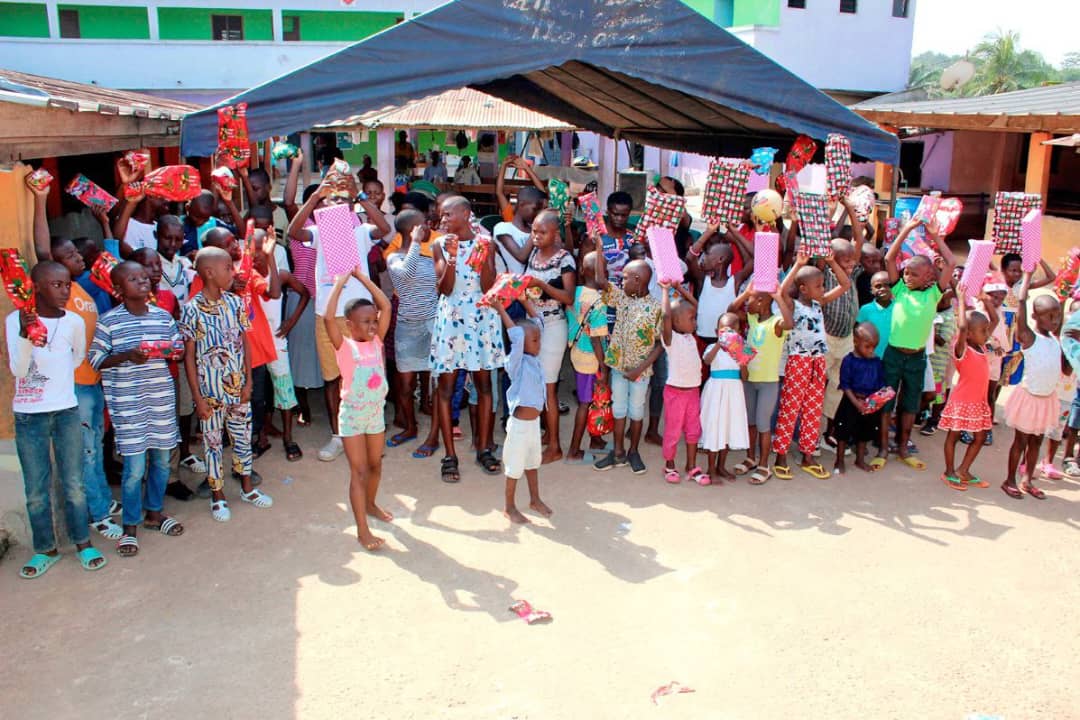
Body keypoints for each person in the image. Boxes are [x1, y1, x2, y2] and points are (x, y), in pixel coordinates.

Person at [9, 261, 107, 577]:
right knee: (36, 490)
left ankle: (83, 543)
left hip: (66, 410)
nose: (64, 291)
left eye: (66, 284)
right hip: (29, 415)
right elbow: (18, 370)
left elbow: (77, 358)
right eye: (56, 285)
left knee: (74, 483)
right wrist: (26, 335)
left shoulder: (73, 322)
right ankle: (45, 549)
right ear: (36, 287)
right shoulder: (16, 320)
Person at [286, 174, 391, 462]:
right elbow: (294, 232)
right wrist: (315, 196)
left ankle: (368, 430)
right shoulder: (319, 232)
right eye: (332, 199)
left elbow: (385, 228)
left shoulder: (360, 231)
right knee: (333, 378)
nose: (337, 203)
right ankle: (338, 435)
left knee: (365, 374)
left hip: (360, 315)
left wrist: (360, 196)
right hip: (328, 316)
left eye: (343, 199)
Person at [89, 262, 184, 556]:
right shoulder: (109, 322)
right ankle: (130, 526)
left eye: (143, 277)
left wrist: (166, 351)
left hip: (160, 400)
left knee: (162, 461)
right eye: (133, 278)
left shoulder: (162, 316)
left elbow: (178, 349)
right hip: (128, 406)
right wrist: (127, 356)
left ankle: (154, 512)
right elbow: (95, 360)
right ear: (118, 290)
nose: (142, 281)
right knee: (134, 469)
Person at [179, 247, 273, 522]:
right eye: (228, 268)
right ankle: (217, 495)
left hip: (238, 388)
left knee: (243, 437)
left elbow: (245, 342)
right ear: (209, 272)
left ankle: (247, 488)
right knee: (212, 443)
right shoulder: (192, 310)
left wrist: (248, 381)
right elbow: (189, 357)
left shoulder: (235, 303)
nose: (233, 272)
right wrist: (198, 398)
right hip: (209, 393)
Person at [47, 236, 123, 538]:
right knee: (87, 452)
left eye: (76, 253)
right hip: (76, 385)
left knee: (97, 446)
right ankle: (97, 514)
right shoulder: (60, 297)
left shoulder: (80, 288)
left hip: (92, 381)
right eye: (70, 255)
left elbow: (112, 267)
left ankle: (102, 499)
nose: (78, 257)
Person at [430, 196, 505, 482]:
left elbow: (488, 286)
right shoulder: (439, 244)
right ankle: (449, 455)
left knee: (484, 386)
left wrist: (482, 257)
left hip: (481, 319)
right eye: (442, 215)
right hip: (452, 319)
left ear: (465, 213)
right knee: (446, 389)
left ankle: (484, 448)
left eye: (448, 214)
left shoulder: (486, 243)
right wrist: (451, 257)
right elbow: (445, 288)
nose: (443, 219)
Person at [324, 269, 393, 550]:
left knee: (376, 465)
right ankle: (362, 530)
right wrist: (341, 282)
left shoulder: (377, 342)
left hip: (375, 414)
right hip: (352, 416)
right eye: (366, 322)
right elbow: (328, 318)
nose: (373, 325)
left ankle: (371, 504)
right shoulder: (345, 347)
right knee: (360, 471)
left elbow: (386, 305)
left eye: (374, 321)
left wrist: (363, 279)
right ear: (350, 325)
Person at [878, 220, 956, 471]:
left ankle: (903, 447)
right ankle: (883, 449)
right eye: (906, 273)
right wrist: (907, 229)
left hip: (917, 358)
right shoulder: (900, 289)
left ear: (929, 277)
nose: (907, 277)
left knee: (910, 404)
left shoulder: (934, 294)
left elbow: (951, 262)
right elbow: (889, 258)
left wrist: (935, 235)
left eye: (914, 274)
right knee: (886, 401)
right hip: (893, 354)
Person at [771, 252, 851, 481]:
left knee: (813, 410)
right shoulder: (793, 305)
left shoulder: (819, 303)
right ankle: (781, 457)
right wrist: (798, 264)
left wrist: (832, 261)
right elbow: (782, 292)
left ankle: (808, 455)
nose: (823, 289)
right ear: (803, 289)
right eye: (818, 286)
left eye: (823, 285)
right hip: (799, 362)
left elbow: (845, 284)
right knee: (790, 409)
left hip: (818, 362)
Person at [592, 246, 662, 475]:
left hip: (641, 372)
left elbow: (660, 344)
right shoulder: (621, 298)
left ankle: (633, 451)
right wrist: (599, 247)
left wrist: (640, 369)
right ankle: (618, 451)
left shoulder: (656, 308)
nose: (621, 282)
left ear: (638, 280)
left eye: (624, 278)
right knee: (619, 408)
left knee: (636, 411)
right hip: (618, 368)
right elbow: (600, 280)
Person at [1002, 273, 1065, 500]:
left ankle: (1027, 480)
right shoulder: (1029, 337)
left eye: (1057, 316)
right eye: (1050, 316)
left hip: (1047, 399)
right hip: (1029, 398)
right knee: (1020, 441)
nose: (1055, 320)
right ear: (1035, 316)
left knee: (1037, 441)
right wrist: (1028, 275)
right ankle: (1009, 480)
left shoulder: (1055, 340)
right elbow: (1021, 303)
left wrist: (1064, 291)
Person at [522, 209, 576, 463]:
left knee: (549, 388)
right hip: (535, 326)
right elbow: (528, 292)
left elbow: (569, 297)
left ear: (556, 234)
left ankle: (555, 447)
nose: (536, 236)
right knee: (539, 386)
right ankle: (547, 434)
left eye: (542, 232)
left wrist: (542, 285)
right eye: (534, 231)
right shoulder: (534, 254)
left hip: (554, 327)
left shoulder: (564, 259)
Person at [491, 297, 552, 523]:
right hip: (519, 428)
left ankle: (534, 499)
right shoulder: (515, 363)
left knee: (533, 463)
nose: (539, 343)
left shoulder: (534, 359)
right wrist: (501, 309)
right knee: (514, 468)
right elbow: (517, 335)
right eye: (534, 340)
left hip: (533, 425)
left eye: (538, 339)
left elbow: (539, 324)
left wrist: (525, 302)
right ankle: (509, 507)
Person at [730, 285, 793, 485]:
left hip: (768, 382)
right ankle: (751, 458)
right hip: (750, 380)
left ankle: (764, 466)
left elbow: (789, 323)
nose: (746, 303)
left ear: (761, 302)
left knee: (763, 424)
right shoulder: (752, 319)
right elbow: (731, 310)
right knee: (750, 422)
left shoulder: (775, 323)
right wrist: (747, 292)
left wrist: (778, 297)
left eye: (750, 299)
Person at [386, 211, 438, 450]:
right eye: (423, 225)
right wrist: (416, 243)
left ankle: (435, 431)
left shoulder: (428, 258)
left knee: (437, 384)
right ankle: (410, 427)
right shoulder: (394, 258)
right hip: (407, 328)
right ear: (413, 229)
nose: (428, 227)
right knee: (406, 384)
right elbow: (406, 274)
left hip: (432, 326)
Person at [253, 232, 307, 461]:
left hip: (276, 342)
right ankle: (260, 436)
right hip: (254, 344)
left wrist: (291, 321)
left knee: (284, 389)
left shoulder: (280, 275)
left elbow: (305, 293)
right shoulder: (245, 276)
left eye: (261, 250)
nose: (256, 255)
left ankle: (288, 437)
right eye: (252, 250)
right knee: (256, 393)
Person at [939, 289, 998, 490]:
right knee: (953, 437)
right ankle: (949, 472)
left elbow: (995, 320)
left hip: (978, 402)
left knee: (980, 437)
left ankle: (963, 470)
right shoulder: (961, 348)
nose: (987, 334)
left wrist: (986, 301)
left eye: (986, 330)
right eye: (983, 331)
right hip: (962, 401)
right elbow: (963, 326)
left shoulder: (982, 346)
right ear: (969, 334)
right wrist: (962, 299)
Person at [821, 207, 865, 450]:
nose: (851, 265)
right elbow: (824, 249)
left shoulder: (854, 272)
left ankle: (830, 432)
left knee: (838, 387)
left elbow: (858, 238)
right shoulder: (826, 275)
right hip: (827, 338)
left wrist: (848, 207)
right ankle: (809, 433)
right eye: (845, 261)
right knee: (817, 385)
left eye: (852, 261)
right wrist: (829, 260)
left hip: (846, 339)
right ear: (832, 259)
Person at [659, 282, 704, 484]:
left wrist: (680, 288)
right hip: (675, 393)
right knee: (673, 430)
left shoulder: (690, 337)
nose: (695, 321)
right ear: (676, 321)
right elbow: (666, 316)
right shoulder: (671, 340)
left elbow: (696, 306)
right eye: (691, 319)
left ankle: (691, 465)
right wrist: (665, 291)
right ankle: (669, 465)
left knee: (694, 429)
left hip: (693, 392)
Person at [566, 251, 608, 462]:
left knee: (593, 399)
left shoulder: (575, 292)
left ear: (582, 270)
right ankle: (574, 450)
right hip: (591, 359)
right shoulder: (599, 302)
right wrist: (603, 367)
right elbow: (596, 340)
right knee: (586, 403)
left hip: (576, 351)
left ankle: (595, 439)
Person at [699, 312, 750, 483]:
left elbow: (745, 377)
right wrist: (719, 344)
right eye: (723, 330)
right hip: (716, 392)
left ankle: (721, 466)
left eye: (732, 331)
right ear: (716, 332)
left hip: (734, 393)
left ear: (739, 333)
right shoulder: (711, 348)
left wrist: (742, 361)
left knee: (727, 428)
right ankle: (711, 468)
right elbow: (707, 361)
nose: (727, 334)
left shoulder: (743, 349)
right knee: (715, 428)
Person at [832, 323, 887, 476]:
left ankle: (860, 460)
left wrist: (876, 400)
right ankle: (839, 460)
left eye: (874, 347)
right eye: (867, 347)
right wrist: (856, 402)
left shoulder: (876, 362)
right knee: (843, 431)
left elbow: (880, 383)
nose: (871, 351)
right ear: (855, 341)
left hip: (869, 403)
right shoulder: (849, 360)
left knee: (865, 432)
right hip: (850, 401)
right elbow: (845, 384)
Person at [686, 225, 754, 347]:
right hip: (702, 340)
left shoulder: (734, 281)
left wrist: (736, 235)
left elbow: (756, 259)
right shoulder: (703, 280)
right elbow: (690, 257)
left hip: (727, 344)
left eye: (708, 254)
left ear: (721, 259)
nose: (704, 257)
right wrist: (709, 231)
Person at [493, 186, 545, 277]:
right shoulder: (503, 228)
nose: (538, 213)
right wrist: (537, 225)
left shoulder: (534, 230)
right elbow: (522, 257)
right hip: (515, 282)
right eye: (535, 209)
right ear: (521, 204)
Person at [855, 271, 893, 359]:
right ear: (871, 290)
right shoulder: (866, 309)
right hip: (872, 357)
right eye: (878, 286)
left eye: (887, 285)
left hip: (894, 359)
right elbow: (857, 333)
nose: (882, 289)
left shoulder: (898, 307)